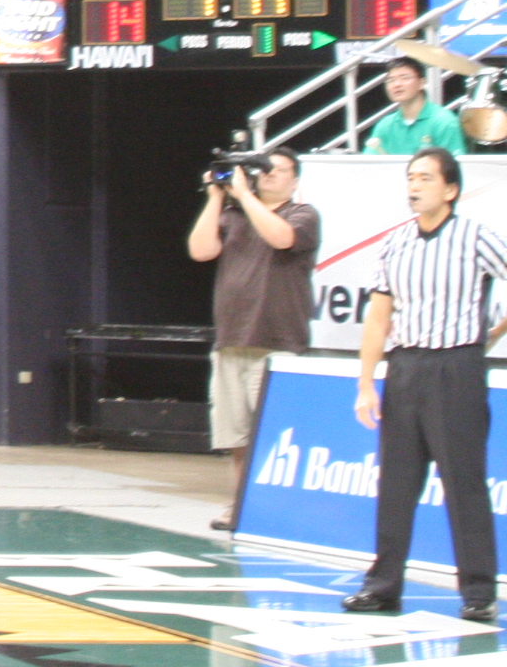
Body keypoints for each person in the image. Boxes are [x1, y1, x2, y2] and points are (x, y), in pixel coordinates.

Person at [347, 147, 507, 622]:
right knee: (395, 484)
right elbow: (378, 317)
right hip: (405, 368)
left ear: (450, 189)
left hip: (456, 368)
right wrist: (366, 382)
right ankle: (383, 586)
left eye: (425, 178)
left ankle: (478, 591)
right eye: (411, 177)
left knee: (463, 483)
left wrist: (494, 329)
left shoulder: (476, 237)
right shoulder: (395, 242)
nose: (414, 186)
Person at [187, 146, 319, 532]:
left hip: (276, 340)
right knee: (237, 436)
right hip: (231, 339)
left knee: (273, 432)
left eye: (279, 171)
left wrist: (245, 195)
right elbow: (200, 249)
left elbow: (281, 239)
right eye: (264, 170)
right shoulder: (234, 215)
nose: (269, 176)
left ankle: (278, 508)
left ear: (295, 179)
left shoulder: (303, 214)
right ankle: (240, 505)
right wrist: (216, 198)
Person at [364, 58, 468, 156]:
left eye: (405, 78)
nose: (397, 84)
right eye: (391, 80)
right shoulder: (385, 125)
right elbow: (369, 164)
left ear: (422, 82)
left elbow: (453, 168)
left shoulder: (444, 122)